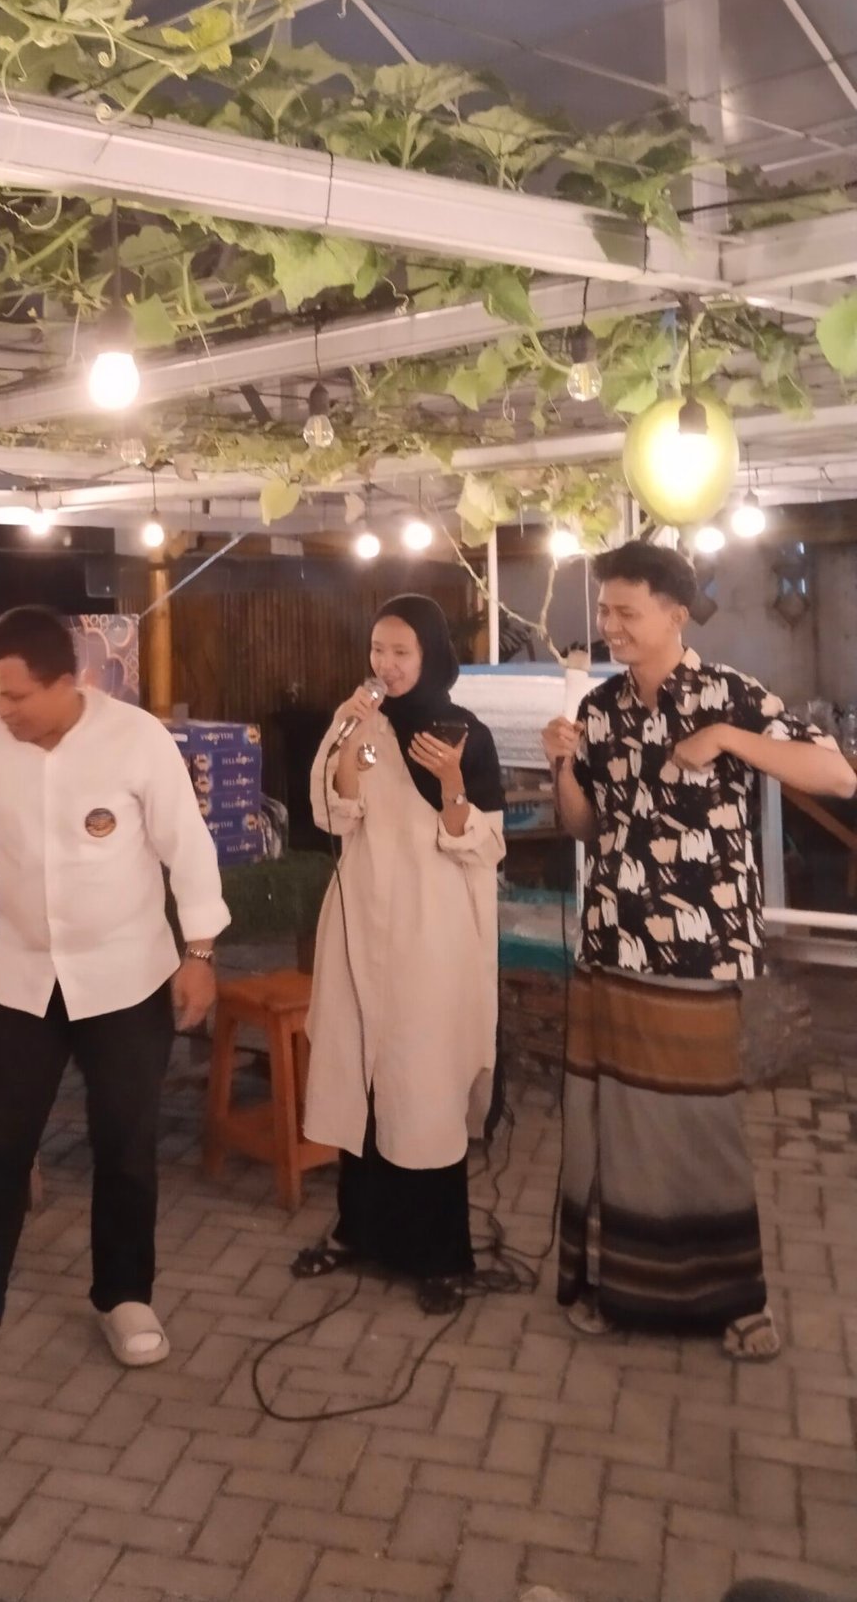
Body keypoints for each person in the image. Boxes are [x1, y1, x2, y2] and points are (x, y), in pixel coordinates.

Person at [0, 605, 230, 1393]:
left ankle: (125, 1295)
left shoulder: (136, 739)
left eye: (18, 694)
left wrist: (199, 952)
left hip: (128, 977)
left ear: (70, 680)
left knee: (125, 1143)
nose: (3, 708)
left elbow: (188, 847)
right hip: (24, 980)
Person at [542, 540, 854, 1361]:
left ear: (676, 612)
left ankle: (734, 1300)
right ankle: (615, 1286)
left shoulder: (730, 694)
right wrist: (562, 769)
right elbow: (584, 827)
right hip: (612, 942)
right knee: (616, 1124)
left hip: (698, 953)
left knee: (701, 1125)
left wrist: (725, 737)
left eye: (626, 611)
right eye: (604, 610)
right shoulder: (601, 708)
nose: (610, 625)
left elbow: (837, 775)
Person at [298, 595, 507, 1311]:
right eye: (377, 650)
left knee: (424, 1085)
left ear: (431, 656)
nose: (385, 665)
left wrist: (451, 781)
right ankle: (357, 1230)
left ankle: (442, 1255)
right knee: (362, 1074)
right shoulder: (366, 728)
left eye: (401, 652)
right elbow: (340, 811)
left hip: (429, 928)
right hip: (361, 918)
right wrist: (351, 740)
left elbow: (481, 842)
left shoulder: (464, 733)